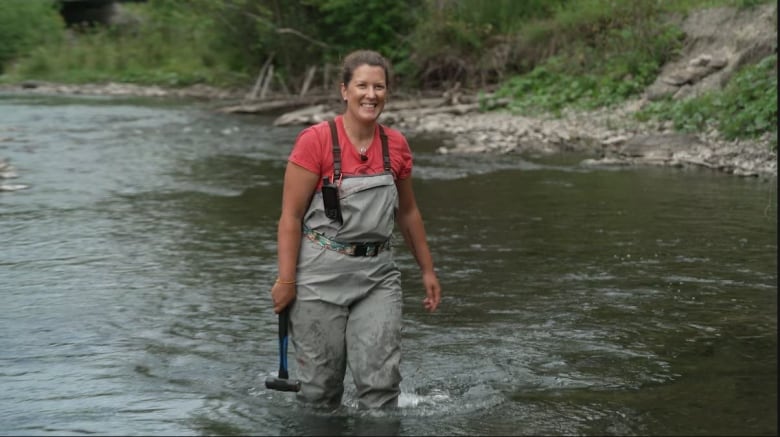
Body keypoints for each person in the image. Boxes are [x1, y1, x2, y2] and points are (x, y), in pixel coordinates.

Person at [270, 49, 441, 409]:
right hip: (318, 276)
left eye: (379, 86)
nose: (371, 94)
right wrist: (286, 280)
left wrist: (427, 270)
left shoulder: (396, 144)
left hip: (378, 276)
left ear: (387, 92)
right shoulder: (314, 141)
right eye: (362, 85)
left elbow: (408, 213)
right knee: (320, 393)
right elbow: (289, 217)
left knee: (380, 390)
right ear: (344, 90)